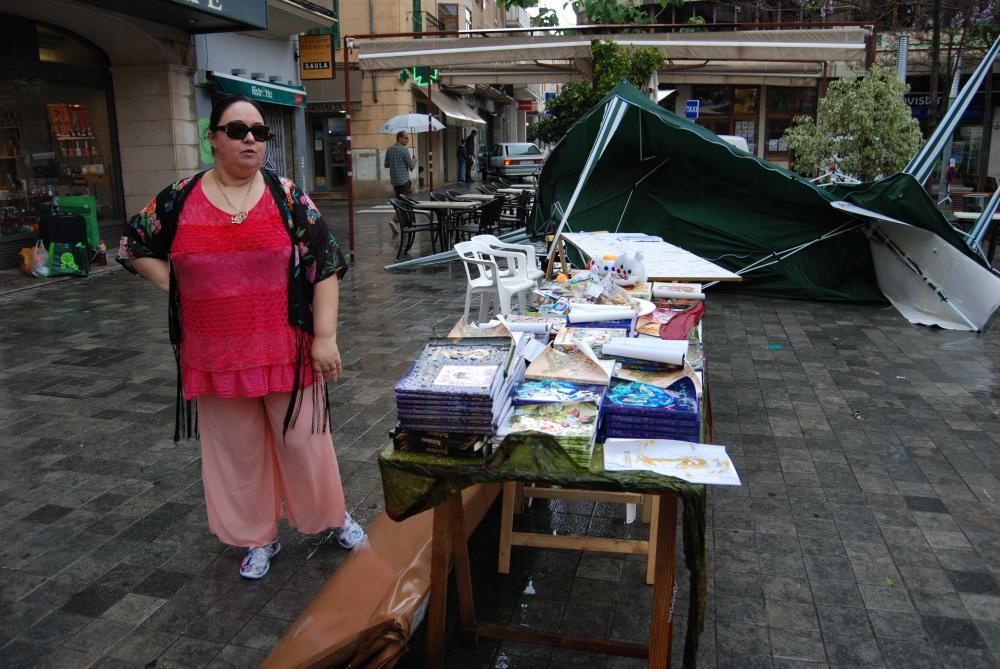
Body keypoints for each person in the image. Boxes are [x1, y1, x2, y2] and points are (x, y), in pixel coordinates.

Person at [117, 95, 364, 580]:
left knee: (305, 442)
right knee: (236, 451)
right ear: (213, 138)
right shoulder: (178, 198)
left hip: (285, 349)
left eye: (259, 131)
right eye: (237, 130)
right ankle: (257, 537)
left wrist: (325, 337)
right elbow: (132, 245)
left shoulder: (288, 196)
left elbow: (326, 266)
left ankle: (331, 517)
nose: (250, 138)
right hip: (214, 354)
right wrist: (176, 287)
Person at [384, 130, 417, 235]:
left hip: (395, 181)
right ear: (399, 138)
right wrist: (414, 160)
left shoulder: (389, 149)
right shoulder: (404, 150)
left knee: (400, 202)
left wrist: (395, 164)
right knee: (405, 204)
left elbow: (386, 164)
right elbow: (411, 167)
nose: (407, 140)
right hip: (404, 181)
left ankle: (402, 224)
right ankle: (394, 221)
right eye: (406, 138)